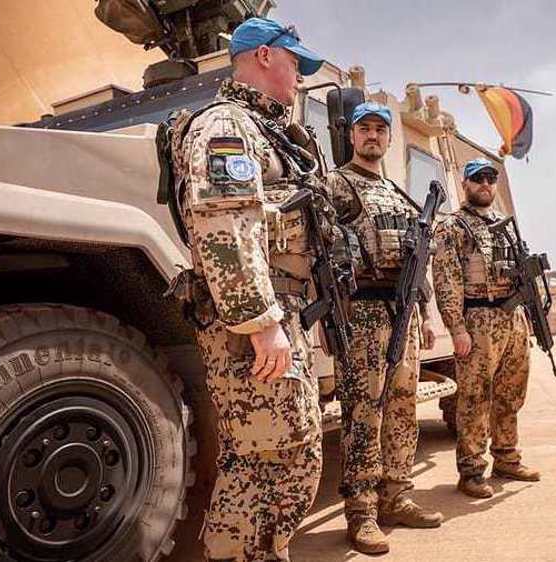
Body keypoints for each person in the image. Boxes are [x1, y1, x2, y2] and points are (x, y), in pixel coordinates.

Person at [170, 17, 327, 562]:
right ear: (263, 57)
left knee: (281, 455)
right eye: (295, 64)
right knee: (271, 459)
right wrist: (262, 324)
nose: (300, 78)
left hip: (280, 313)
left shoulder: (267, 130)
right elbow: (223, 229)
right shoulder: (226, 126)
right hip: (254, 324)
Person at [324, 101, 443, 555]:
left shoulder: (398, 195)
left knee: (403, 408)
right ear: (351, 136)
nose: (372, 136)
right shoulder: (335, 185)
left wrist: (426, 314)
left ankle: (397, 496)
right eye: (364, 129)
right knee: (363, 415)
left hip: (404, 314)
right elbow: (322, 254)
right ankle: (362, 513)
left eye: (380, 129)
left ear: (389, 139)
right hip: (362, 316)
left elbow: (419, 258)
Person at [431, 158, 541, 500]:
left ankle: (507, 458)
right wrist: (457, 329)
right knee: (475, 399)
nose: (485, 184)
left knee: (511, 393)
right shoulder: (453, 227)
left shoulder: (504, 225)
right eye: (477, 178)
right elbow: (446, 280)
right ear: (465, 183)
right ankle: (472, 470)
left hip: (513, 318)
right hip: (477, 322)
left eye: (490, 178)